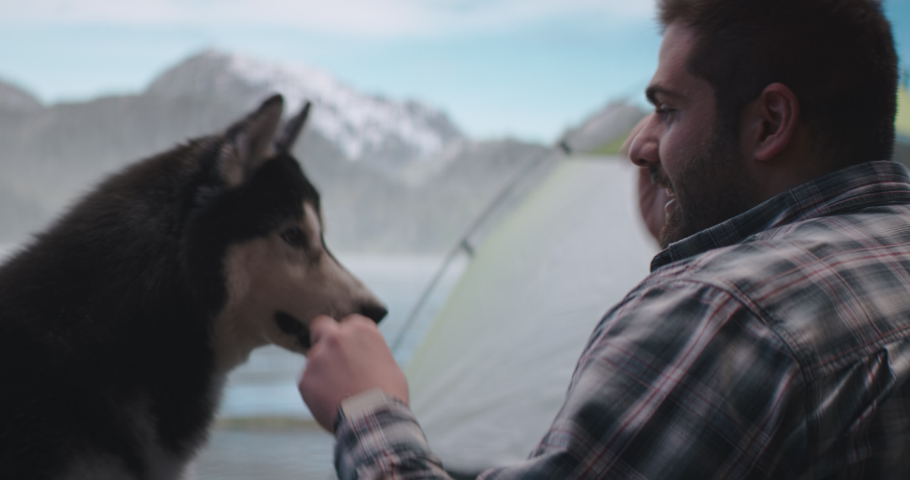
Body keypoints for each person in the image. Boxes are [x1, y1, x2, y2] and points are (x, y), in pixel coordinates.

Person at [298, 0, 909, 477]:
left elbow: (741, 321)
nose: (637, 146)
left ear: (770, 122)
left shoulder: (725, 314)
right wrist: (690, 247)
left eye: (668, 110)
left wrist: (368, 409)